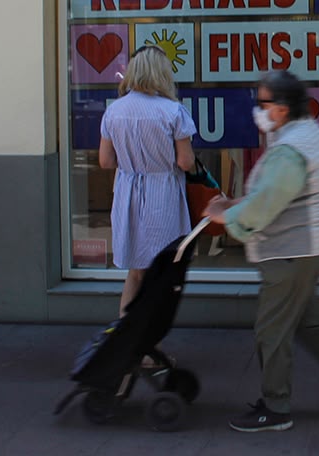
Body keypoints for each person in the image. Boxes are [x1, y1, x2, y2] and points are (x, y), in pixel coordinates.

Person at [203, 70, 319, 433]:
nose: (258, 109)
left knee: (271, 331)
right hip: (310, 246)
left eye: (264, 102)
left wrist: (225, 216)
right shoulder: (305, 134)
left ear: (282, 108)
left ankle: (275, 408)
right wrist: (238, 202)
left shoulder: (290, 149)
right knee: (309, 323)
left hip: (291, 251)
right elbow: (278, 193)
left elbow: (269, 203)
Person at [98, 45, 197, 319]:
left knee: (136, 272)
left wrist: (133, 163)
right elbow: (185, 162)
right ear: (162, 73)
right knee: (162, 271)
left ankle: (123, 339)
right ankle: (149, 345)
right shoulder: (173, 111)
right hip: (162, 194)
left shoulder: (114, 111)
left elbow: (105, 161)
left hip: (128, 190)